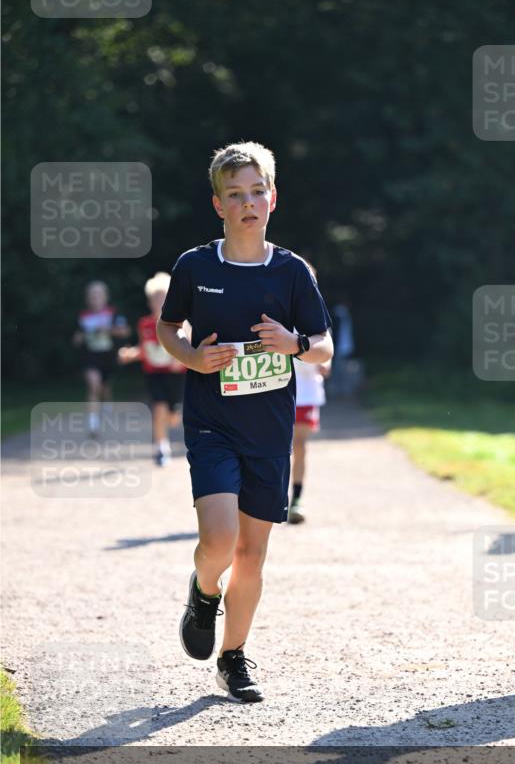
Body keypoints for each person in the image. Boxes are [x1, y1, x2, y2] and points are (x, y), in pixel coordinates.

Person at [156, 141, 333, 702]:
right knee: (220, 539)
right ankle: (204, 590)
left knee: (253, 556)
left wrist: (293, 342)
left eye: (257, 191)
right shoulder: (194, 266)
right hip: (211, 422)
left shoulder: (291, 271)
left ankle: (233, 658)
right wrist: (191, 357)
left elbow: (323, 348)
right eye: (235, 194)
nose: (248, 202)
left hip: (269, 430)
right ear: (218, 205)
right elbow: (168, 328)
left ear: (272, 199)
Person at [118, 272, 187, 466]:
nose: (159, 302)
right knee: (158, 408)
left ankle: (172, 420)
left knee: (173, 417)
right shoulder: (145, 324)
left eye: (163, 298)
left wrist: (182, 360)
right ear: (150, 302)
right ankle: (161, 448)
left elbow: (189, 347)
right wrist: (130, 354)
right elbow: (145, 350)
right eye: (155, 299)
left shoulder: (181, 323)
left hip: (176, 376)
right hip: (155, 374)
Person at [71, 280, 130, 436]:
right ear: (87, 298)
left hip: (108, 357)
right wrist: (80, 338)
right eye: (92, 296)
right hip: (91, 357)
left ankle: (106, 406)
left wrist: (108, 329)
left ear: (105, 297)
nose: (95, 299)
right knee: (93, 385)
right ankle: (93, 424)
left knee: (104, 387)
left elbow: (124, 331)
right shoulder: (82, 316)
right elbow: (76, 337)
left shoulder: (113, 312)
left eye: (98, 295)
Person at [289, 335, 331, 524]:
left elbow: (326, 350)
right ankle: (272, 501)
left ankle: (296, 499)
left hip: (306, 393)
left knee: (299, 446)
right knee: (275, 448)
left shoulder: (315, 311)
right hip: (276, 391)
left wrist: (325, 364)